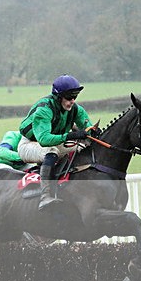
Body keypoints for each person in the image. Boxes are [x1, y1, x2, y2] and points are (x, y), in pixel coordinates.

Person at [18, 74, 102, 211]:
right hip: (30, 144)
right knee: (52, 151)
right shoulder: (44, 110)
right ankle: (45, 196)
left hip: (55, 141)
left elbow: (88, 129)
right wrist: (71, 135)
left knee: (82, 146)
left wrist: (93, 133)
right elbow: (44, 140)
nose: (73, 101)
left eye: (75, 97)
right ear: (58, 97)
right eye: (69, 98)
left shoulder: (76, 109)